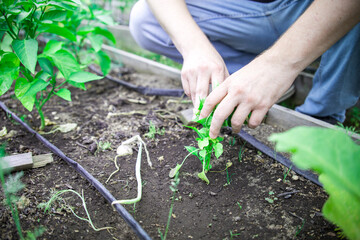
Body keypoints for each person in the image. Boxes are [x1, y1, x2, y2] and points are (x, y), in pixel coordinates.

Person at [129, 0, 360, 139]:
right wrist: (194, 47)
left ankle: (323, 115)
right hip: (251, 12)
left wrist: (278, 65)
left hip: (318, 10)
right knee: (145, 19)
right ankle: (248, 83)